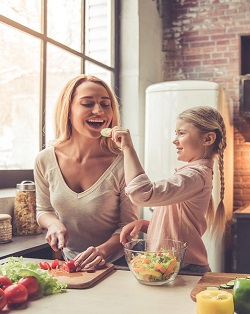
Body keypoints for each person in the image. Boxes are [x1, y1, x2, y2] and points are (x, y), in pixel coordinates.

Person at [35, 75, 140, 270]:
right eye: (87, 103)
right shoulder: (44, 160)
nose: (99, 111)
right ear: (68, 110)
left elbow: (129, 227)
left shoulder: (122, 162)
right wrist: (54, 224)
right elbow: (43, 210)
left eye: (105, 104)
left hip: (117, 266)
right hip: (71, 264)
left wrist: (102, 251)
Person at [114, 106, 227, 275]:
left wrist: (128, 148)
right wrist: (145, 225)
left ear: (208, 139)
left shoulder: (195, 175)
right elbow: (178, 225)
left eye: (182, 133)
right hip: (176, 266)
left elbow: (141, 194)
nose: (175, 140)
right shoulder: (193, 174)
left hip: (185, 269)